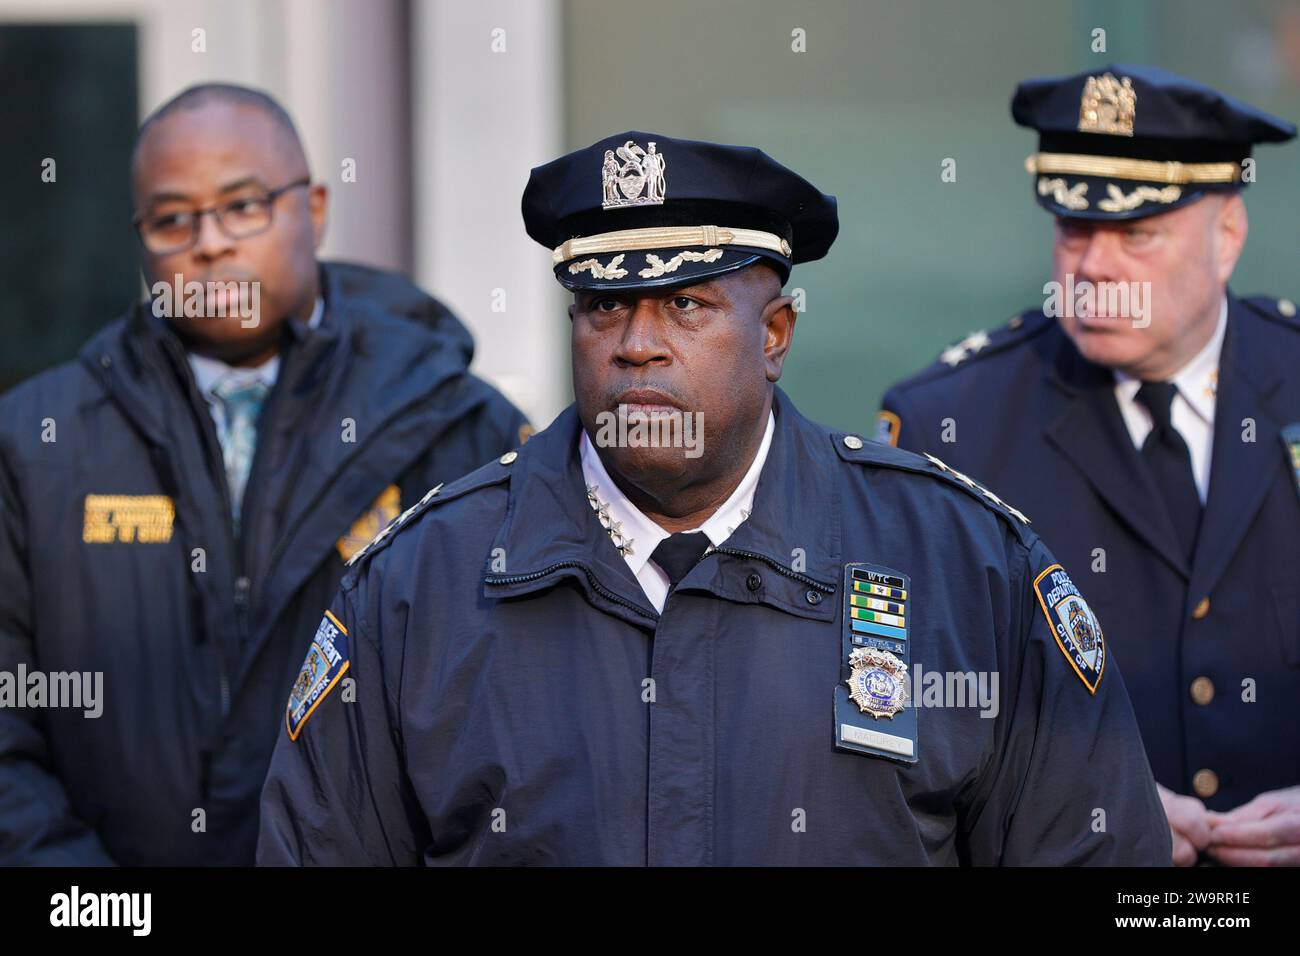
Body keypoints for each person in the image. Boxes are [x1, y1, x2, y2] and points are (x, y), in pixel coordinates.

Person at [258, 131, 1169, 865]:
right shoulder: (421, 587)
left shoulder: (964, 568)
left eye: (686, 304)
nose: (636, 346)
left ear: (773, 334)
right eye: (604, 308)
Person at [0, 83, 527, 865]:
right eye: (173, 218)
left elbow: (519, 724)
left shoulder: (460, 428)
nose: (209, 242)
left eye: (243, 205)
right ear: (141, 241)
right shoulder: (35, 442)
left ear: (312, 208)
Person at [878, 65, 1299, 866]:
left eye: (1138, 232)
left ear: (1229, 236)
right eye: (1074, 228)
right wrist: (1073, 812)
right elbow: (892, 709)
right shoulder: (950, 426)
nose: (1095, 266)